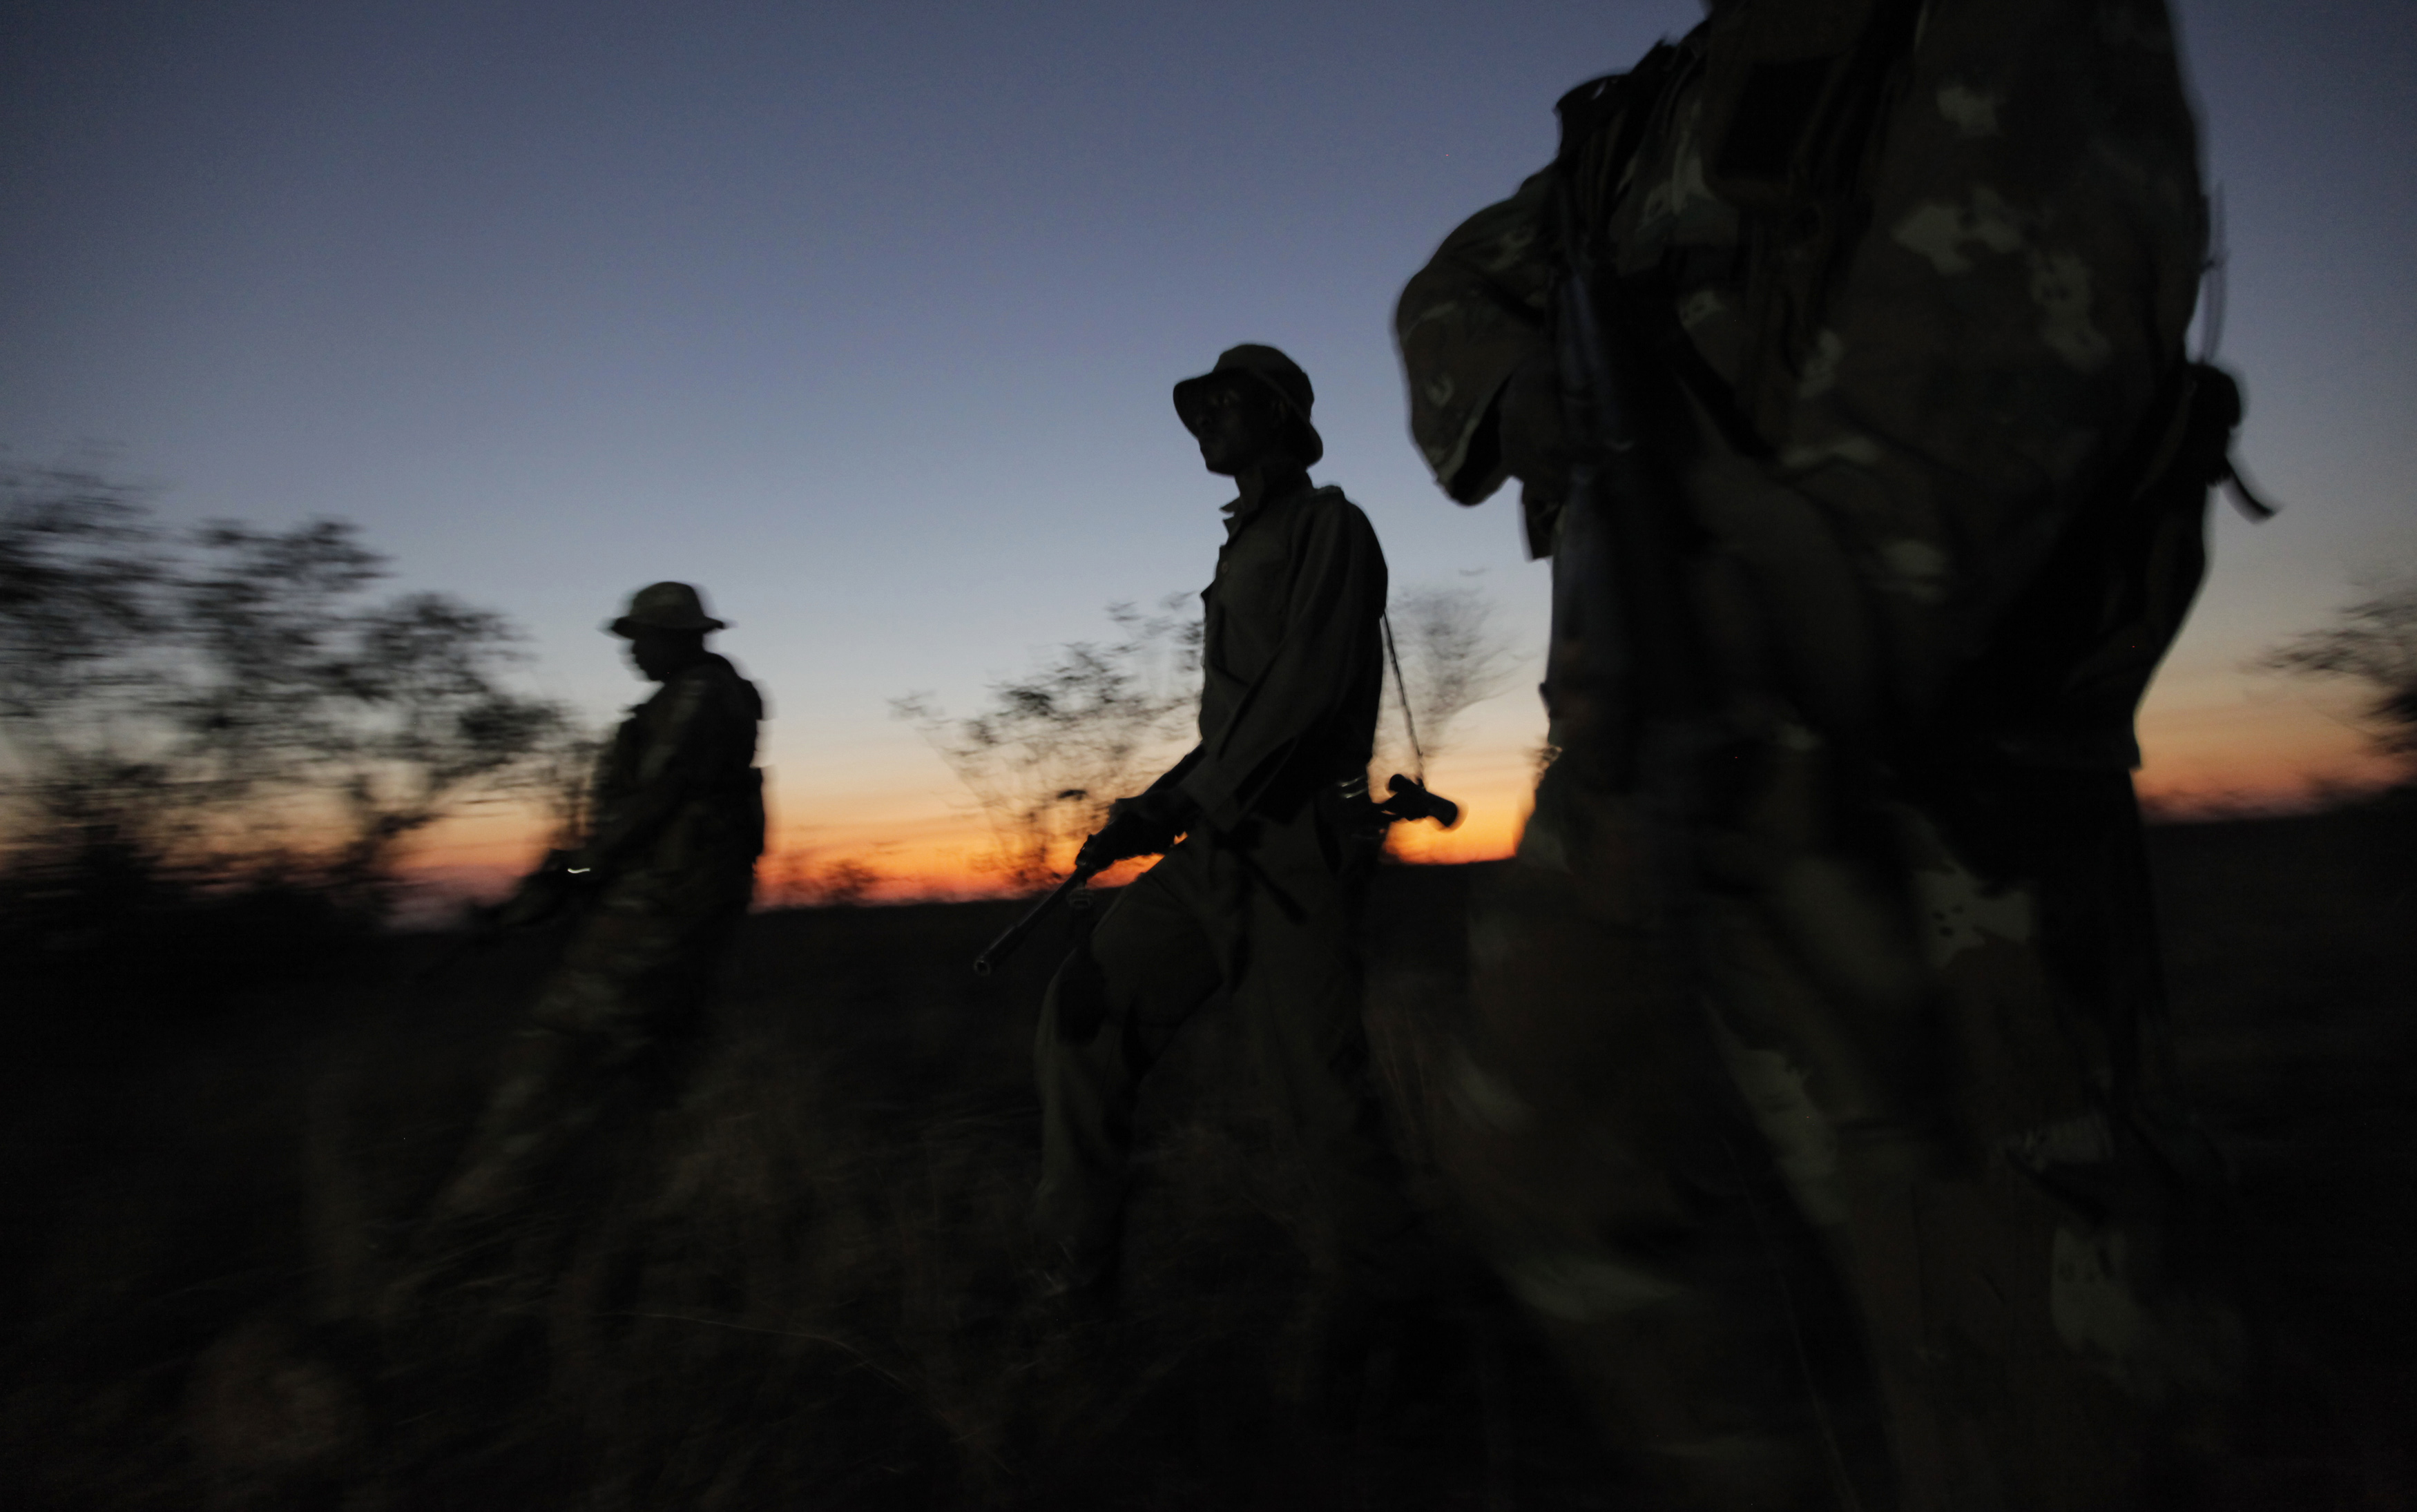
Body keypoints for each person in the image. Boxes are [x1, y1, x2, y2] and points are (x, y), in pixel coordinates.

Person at [1393, 2, 2244, 1507]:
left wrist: (1765, 642)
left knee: (2010, 1347)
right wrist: (1546, 407)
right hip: (1655, 774)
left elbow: (1992, 354)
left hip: (1943, 814)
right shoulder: (1642, 116)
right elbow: (1451, 296)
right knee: (1548, 1157)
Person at [1029, 345, 1425, 1318]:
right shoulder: (1241, 544)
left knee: (1320, 1108)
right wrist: (1155, 809)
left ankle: (1393, 1335)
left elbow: (1302, 694)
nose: (1207, 417)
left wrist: (1182, 804)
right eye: (1198, 406)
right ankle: (1072, 1287)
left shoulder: (1330, 527)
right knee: (1081, 1018)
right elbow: (1234, 728)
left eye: (1228, 401)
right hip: (1213, 851)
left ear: (1284, 417)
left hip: (1294, 851)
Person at [415, 580, 766, 1243]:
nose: (634, 654)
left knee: (560, 1043)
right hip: (676, 897)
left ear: (677, 638)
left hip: (661, 904)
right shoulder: (700, 697)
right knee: (655, 1054)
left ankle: (477, 1218)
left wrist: (575, 872)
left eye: (642, 640)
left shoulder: (696, 697)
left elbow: (649, 806)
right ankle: (660, 1203)